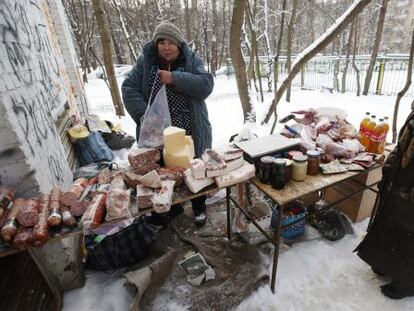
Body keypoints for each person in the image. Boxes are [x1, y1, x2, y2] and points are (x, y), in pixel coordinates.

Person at [121, 21, 214, 227]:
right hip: (157, 133)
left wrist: (174, 78)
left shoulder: (191, 62)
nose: (166, 47)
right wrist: (146, 116)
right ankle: (169, 208)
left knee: (194, 169)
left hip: (190, 132)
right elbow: (128, 88)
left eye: (171, 42)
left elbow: (206, 85)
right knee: (162, 174)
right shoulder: (146, 63)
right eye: (161, 42)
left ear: (179, 45)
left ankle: (199, 206)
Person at [356, 102, 414, 299]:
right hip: (402, 180)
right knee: (391, 223)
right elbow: (402, 145)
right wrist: (391, 165)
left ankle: (408, 283)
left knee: (409, 236)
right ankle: (385, 262)